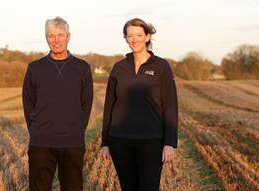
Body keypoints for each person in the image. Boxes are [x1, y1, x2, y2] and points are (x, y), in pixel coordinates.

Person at [100, 18, 178, 191]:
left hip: (151, 141)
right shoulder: (118, 68)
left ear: (148, 37)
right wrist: (105, 142)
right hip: (119, 141)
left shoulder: (161, 66)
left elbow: (170, 106)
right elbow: (109, 107)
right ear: (126, 38)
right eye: (130, 36)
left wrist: (169, 142)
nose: (134, 39)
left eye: (138, 35)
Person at [22, 16, 93, 191]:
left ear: (68, 37)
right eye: (51, 35)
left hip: (72, 141)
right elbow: (28, 102)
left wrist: (77, 129)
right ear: (46, 38)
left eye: (60, 35)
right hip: (41, 141)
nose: (56, 40)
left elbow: (86, 103)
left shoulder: (82, 68)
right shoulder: (34, 68)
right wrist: (36, 130)